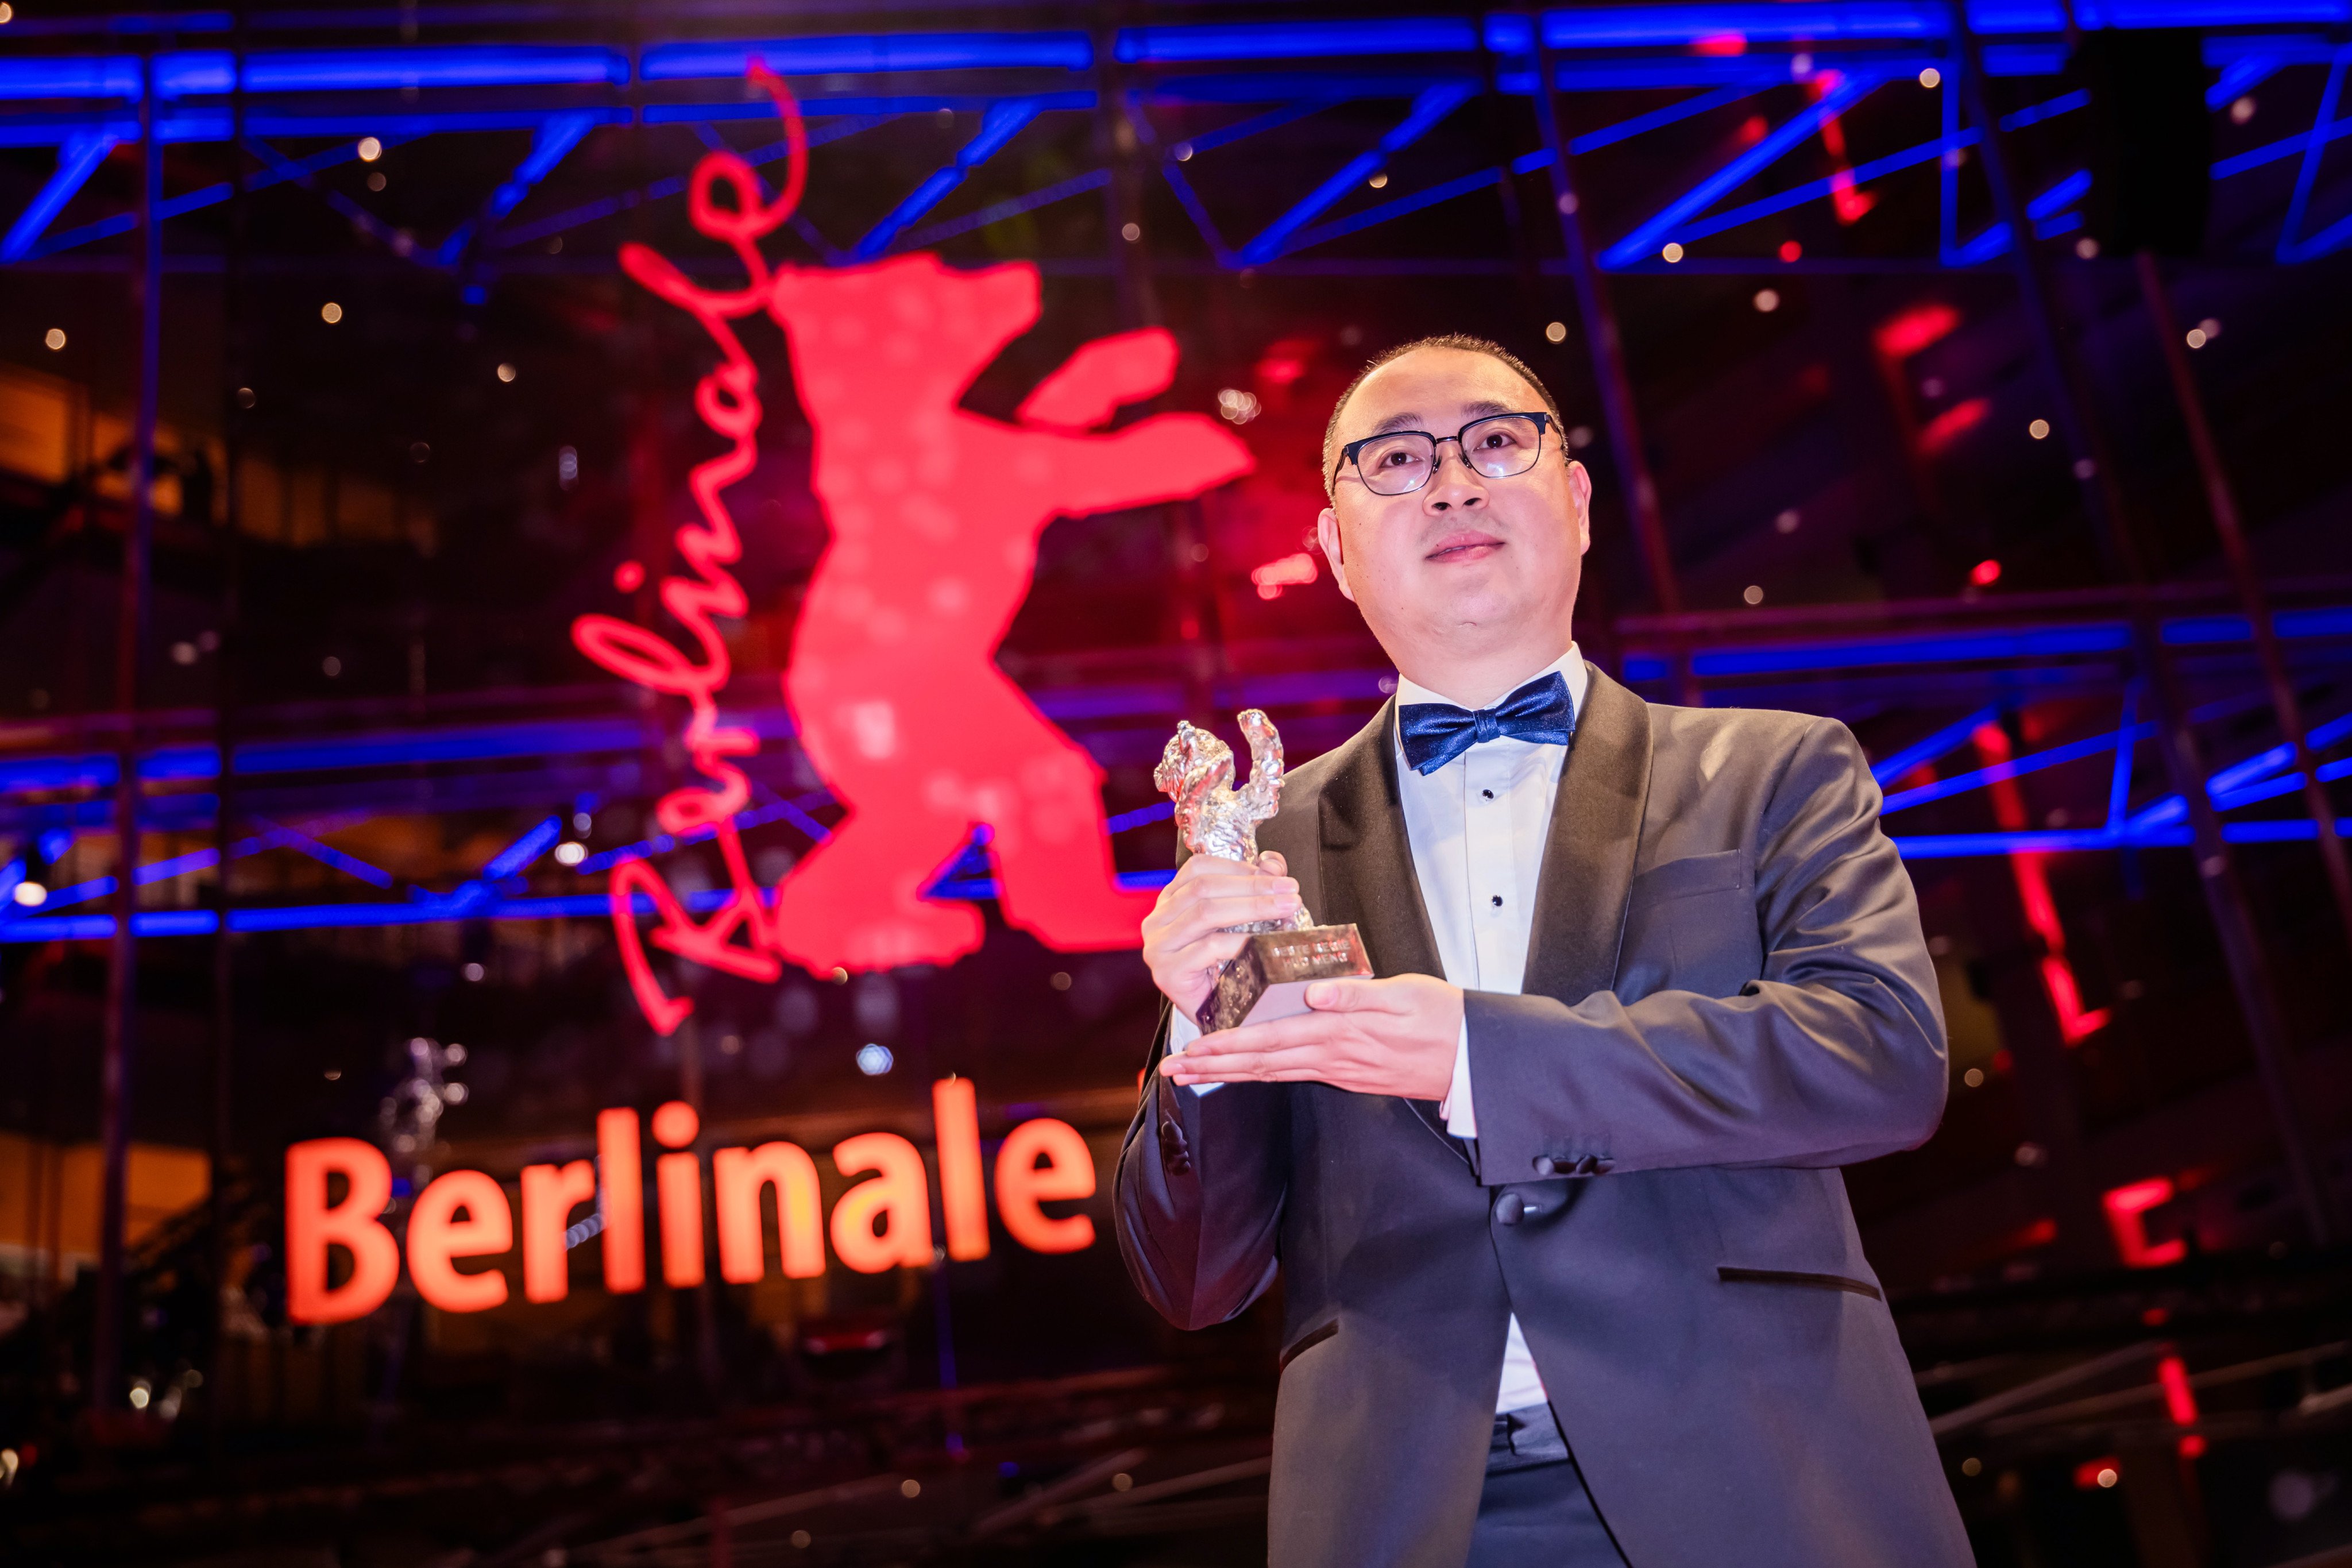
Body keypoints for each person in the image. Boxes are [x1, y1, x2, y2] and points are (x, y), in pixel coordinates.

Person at [1115, 335, 1972, 1567]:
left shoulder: (1769, 771)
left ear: (1573, 502)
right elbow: (1192, 1279)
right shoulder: (1266, 844)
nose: (1451, 484)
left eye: (1495, 442)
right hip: (1408, 1511)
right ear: (1334, 549)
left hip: (1762, 1470)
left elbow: (1880, 1058)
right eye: (1395, 461)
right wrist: (1199, 1030)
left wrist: (1479, 1055)